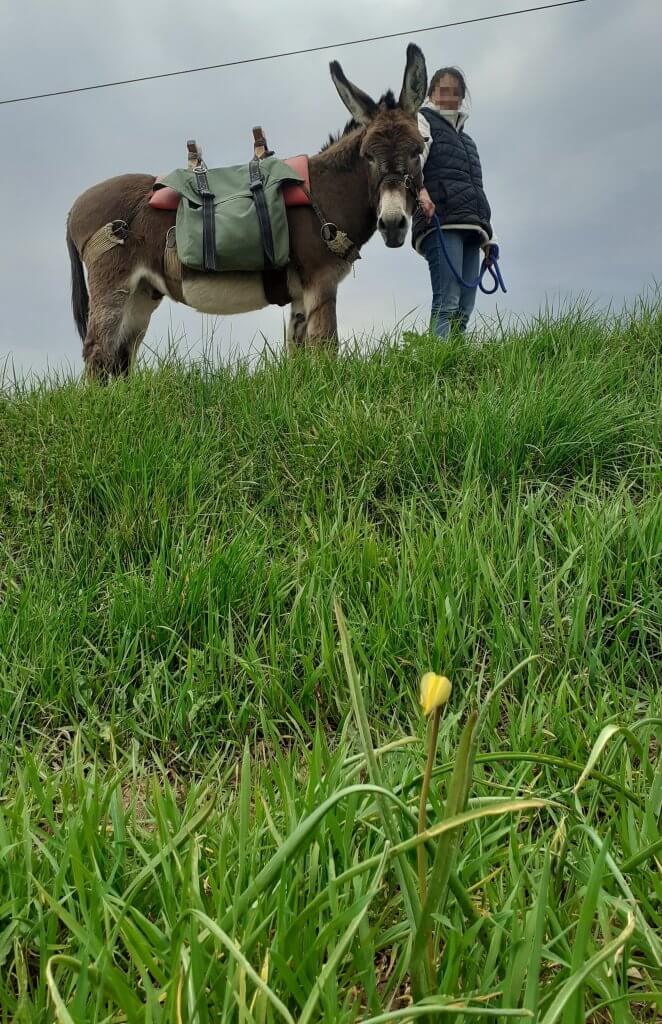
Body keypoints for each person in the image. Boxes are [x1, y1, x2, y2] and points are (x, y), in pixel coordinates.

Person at [412, 66, 498, 338]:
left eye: (456, 91)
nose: (450, 96)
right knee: (447, 301)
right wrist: (420, 192)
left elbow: (476, 191)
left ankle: (456, 362)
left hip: (472, 227)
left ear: (462, 97)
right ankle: (438, 365)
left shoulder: (468, 142)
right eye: (443, 89)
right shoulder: (422, 121)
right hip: (441, 222)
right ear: (431, 93)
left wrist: (489, 238)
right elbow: (413, 162)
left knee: (465, 305)